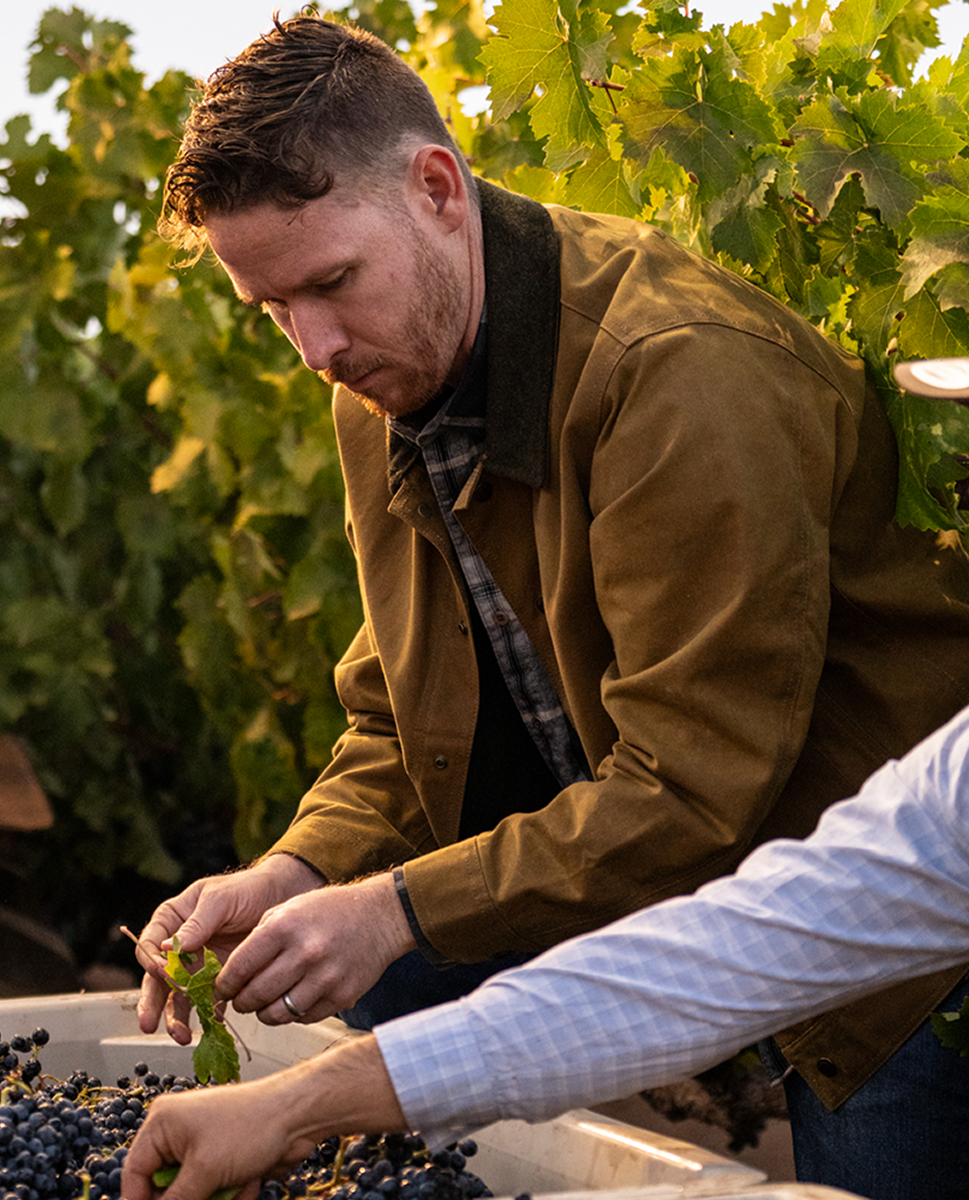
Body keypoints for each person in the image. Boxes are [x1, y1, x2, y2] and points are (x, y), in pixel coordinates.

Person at [133, 15, 969, 1193]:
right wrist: (302, 872)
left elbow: (690, 788)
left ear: (437, 190)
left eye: (329, 284)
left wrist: (401, 909)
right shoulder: (380, 385)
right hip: (653, 877)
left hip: (876, 930)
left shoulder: (675, 374)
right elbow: (401, 720)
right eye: (272, 309)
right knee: (361, 975)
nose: (313, 347)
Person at [122, 694, 969, 1200]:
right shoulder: (953, 789)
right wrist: (291, 1104)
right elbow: (698, 970)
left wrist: (394, 916)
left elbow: (685, 788)